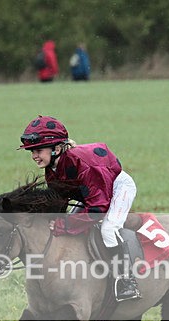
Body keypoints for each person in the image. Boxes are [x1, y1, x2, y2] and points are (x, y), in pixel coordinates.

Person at [18, 115, 141, 301]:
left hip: (117, 188)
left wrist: (65, 225)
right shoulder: (52, 168)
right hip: (91, 192)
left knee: (108, 228)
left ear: (57, 148)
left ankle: (127, 281)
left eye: (38, 150)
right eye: (31, 151)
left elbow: (98, 208)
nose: (34, 156)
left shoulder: (82, 164)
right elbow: (60, 201)